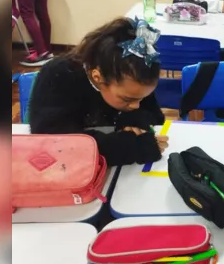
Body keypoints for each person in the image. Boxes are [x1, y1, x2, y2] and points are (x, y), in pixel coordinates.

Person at [29, 17, 169, 166]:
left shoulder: (134, 75)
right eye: (127, 100)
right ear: (98, 77)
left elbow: (155, 117)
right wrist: (125, 147)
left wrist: (135, 120)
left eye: (142, 98)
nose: (136, 105)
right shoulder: (58, 75)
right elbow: (54, 142)